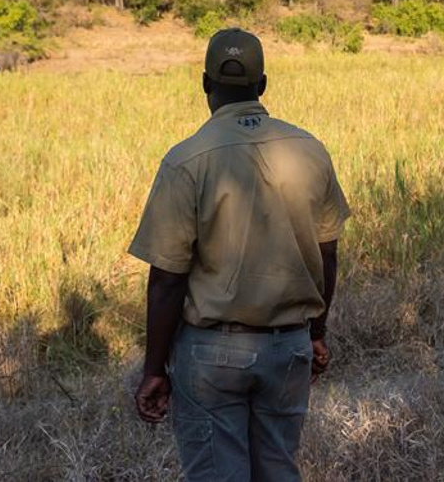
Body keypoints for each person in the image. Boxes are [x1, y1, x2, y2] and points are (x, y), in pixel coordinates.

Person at [128, 27, 350, 482]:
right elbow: (328, 254)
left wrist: (154, 369)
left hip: (212, 352)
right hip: (289, 346)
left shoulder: (186, 160)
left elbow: (167, 278)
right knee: (279, 470)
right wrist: (316, 331)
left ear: (206, 85)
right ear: (263, 85)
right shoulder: (309, 149)